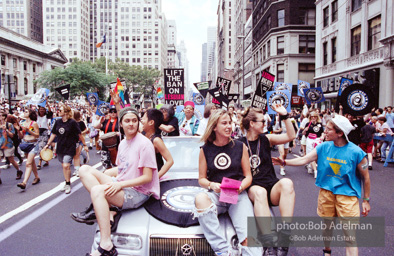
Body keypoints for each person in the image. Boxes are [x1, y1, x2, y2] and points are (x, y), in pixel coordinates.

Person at [272, 115, 371, 256]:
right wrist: (284, 162)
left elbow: (366, 178)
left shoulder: (356, 152)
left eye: (329, 129)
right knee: (327, 228)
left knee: (350, 237)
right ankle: (327, 250)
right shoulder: (323, 147)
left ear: (340, 133)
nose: (325, 131)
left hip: (348, 198)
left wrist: (366, 200)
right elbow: (305, 159)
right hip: (326, 194)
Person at [78, 107, 159, 256]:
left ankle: (106, 245)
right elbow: (122, 169)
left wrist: (118, 185)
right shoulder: (122, 143)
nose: (131, 124)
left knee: (97, 191)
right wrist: (105, 175)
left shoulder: (145, 144)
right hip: (122, 183)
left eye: (134, 121)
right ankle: (108, 208)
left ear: (138, 123)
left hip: (138, 192)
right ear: (121, 124)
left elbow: (148, 178)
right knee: (83, 170)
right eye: (127, 121)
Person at [193, 109, 260, 256]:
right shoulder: (205, 150)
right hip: (216, 195)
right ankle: (223, 250)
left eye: (230, 122)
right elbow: (202, 179)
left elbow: (248, 176)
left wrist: (241, 187)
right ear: (214, 127)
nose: (229, 126)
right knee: (200, 199)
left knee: (250, 239)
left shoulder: (240, 146)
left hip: (237, 195)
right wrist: (212, 185)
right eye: (224, 123)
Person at [239, 104, 296, 256]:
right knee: (259, 192)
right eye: (262, 122)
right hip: (253, 188)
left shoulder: (267, 139)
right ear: (252, 124)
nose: (266, 124)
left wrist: (285, 116)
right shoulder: (238, 144)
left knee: (287, 183)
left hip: (271, 187)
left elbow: (291, 137)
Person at [42, 104, 88, 194]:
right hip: (60, 146)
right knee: (63, 164)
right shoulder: (58, 122)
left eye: (60, 110)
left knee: (66, 165)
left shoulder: (72, 122)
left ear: (66, 112)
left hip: (70, 146)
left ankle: (67, 183)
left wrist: (85, 145)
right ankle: (67, 181)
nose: (58, 111)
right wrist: (47, 144)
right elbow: (54, 134)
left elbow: (79, 134)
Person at [140, 108, 174, 178]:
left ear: (151, 122)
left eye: (144, 118)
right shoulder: (142, 134)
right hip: (143, 176)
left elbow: (170, 161)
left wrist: (156, 177)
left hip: (152, 179)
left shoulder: (156, 140)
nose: (141, 121)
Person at [16, 109, 40, 190]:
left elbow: (37, 135)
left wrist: (29, 131)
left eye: (26, 112)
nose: (24, 113)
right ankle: (36, 177)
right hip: (25, 144)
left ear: (30, 114)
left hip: (33, 144)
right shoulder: (22, 123)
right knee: (31, 162)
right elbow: (21, 136)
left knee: (28, 163)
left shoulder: (34, 123)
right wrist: (18, 130)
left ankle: (24, 182)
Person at [0, 112, 23, 181]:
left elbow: (12, 135)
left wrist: (6, 130)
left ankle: (19, 170)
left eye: (0, 116)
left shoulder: (9, 125)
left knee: (11, 160)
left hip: (8, 144)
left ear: (3, 117)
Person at [302, 111, 324, 178]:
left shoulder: (320, 124)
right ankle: (315, 171)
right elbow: (303, 133)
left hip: (317, 140)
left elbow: (322, 132)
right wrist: (305, 130)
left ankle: (313, 166)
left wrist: (322, 137)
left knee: (318, 154)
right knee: (311, 154)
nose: (313, 118)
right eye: (312, 117)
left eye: (315, 116)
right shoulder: (308, 124)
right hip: (310, 140)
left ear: (317, 117)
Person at [72, 110, 89, 177]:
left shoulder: (81, 122)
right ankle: (77, 167)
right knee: (75, 155)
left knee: (77, 155)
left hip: (80, 140)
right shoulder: (71, 122)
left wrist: (81, 132)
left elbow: (86, 129)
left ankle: (77, 170)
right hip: (74, 140)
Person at [36, 105, 52, 170]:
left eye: (43, 109)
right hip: (38, 132)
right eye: (40, 109)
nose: (41, 110)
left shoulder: (46, 116)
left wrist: (48, 105)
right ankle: (46, 160)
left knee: (41, 147)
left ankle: (39, 163)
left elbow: (50, 112)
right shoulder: (36, 117)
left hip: (44, 132)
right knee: (42, 147)